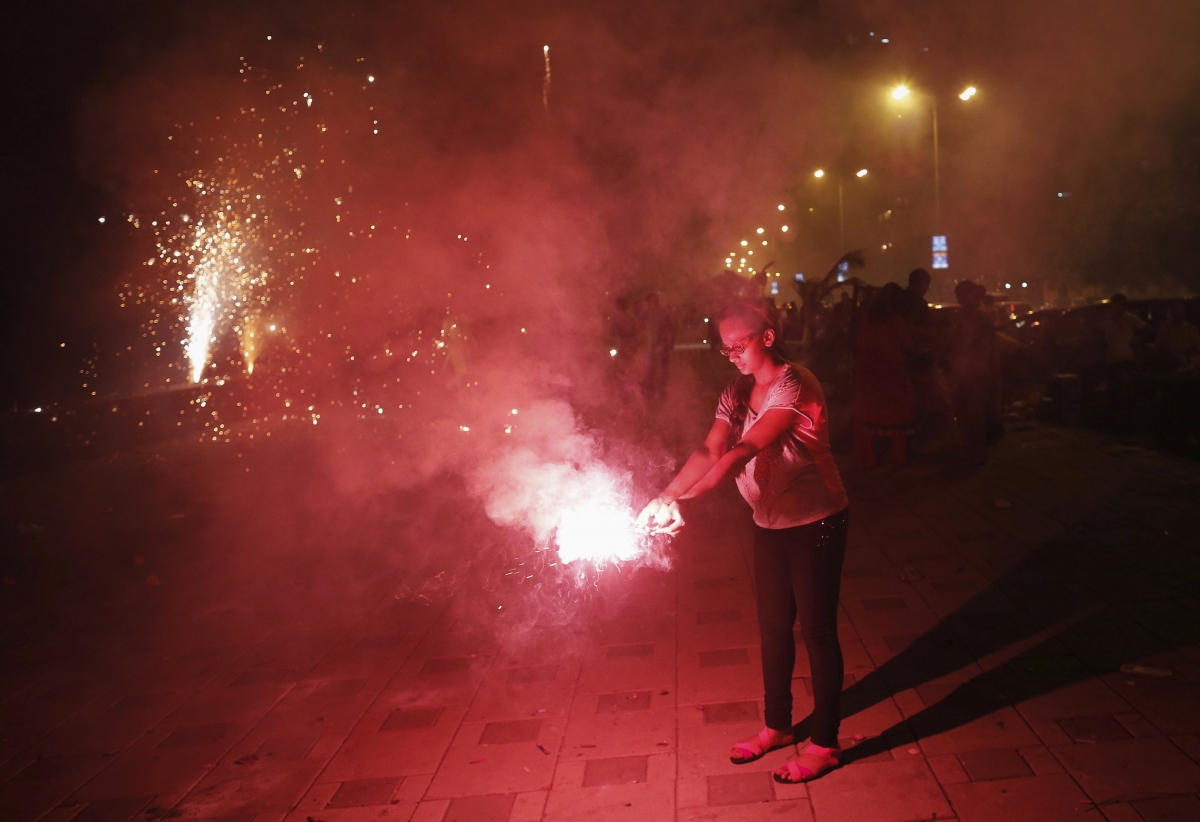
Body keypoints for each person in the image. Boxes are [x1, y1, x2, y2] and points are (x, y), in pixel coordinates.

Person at [638, 300, 849, 784]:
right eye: (724, 347)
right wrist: (666, 494)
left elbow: (748, 447)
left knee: (817, 631)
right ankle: (777, 726)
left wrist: (689, 505)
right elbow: (711, 447)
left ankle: (825, 742)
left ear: (767, 338)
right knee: (774, 627)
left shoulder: (795, 384)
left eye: (739, 345)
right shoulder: (735, 391)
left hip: (816, 519)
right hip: (769, 521)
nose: (731, 355)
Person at [853, 283, 917, 467]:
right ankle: (898, 459)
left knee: (870, 416)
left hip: (869, 373)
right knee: (897, 416)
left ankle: (870, 460)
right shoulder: (895, 321)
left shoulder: (867, 318)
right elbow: (908, 344)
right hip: (893, 373)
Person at [946, 280, 996, 465]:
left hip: (975, 374)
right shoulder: (967, 317)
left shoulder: (978, 319)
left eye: (961, 297)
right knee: (967, 415)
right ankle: (972, 451)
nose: (959, 301)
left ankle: (975, 453)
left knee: (974, 415)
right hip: (967, 373)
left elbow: (984, 348)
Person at [1099, 294, 1148, 433]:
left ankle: (1128, 426)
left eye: (1120, 305)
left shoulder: (1130, 318)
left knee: (1126, 394)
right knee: (1113, 393)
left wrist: (1138, 340)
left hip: (1126, 361)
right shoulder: (1107, 320)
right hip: (1111, 361)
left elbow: (1148, 329)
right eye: (1114, 305)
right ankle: (1115, 426)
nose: (1117, 308)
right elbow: (1102, 335)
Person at [641, 292, 675, 400]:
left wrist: (670, 342)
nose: (654, 302)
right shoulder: (646, 314)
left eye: (656, 300)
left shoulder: (664, 314)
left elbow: (671, 328)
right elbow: (640, 328)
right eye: (651, 300)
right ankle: (650, 390)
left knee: (663, 369)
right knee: (652, 368)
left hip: (662, 345)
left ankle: (662, 391)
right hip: (651, 345)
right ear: (648, 302)